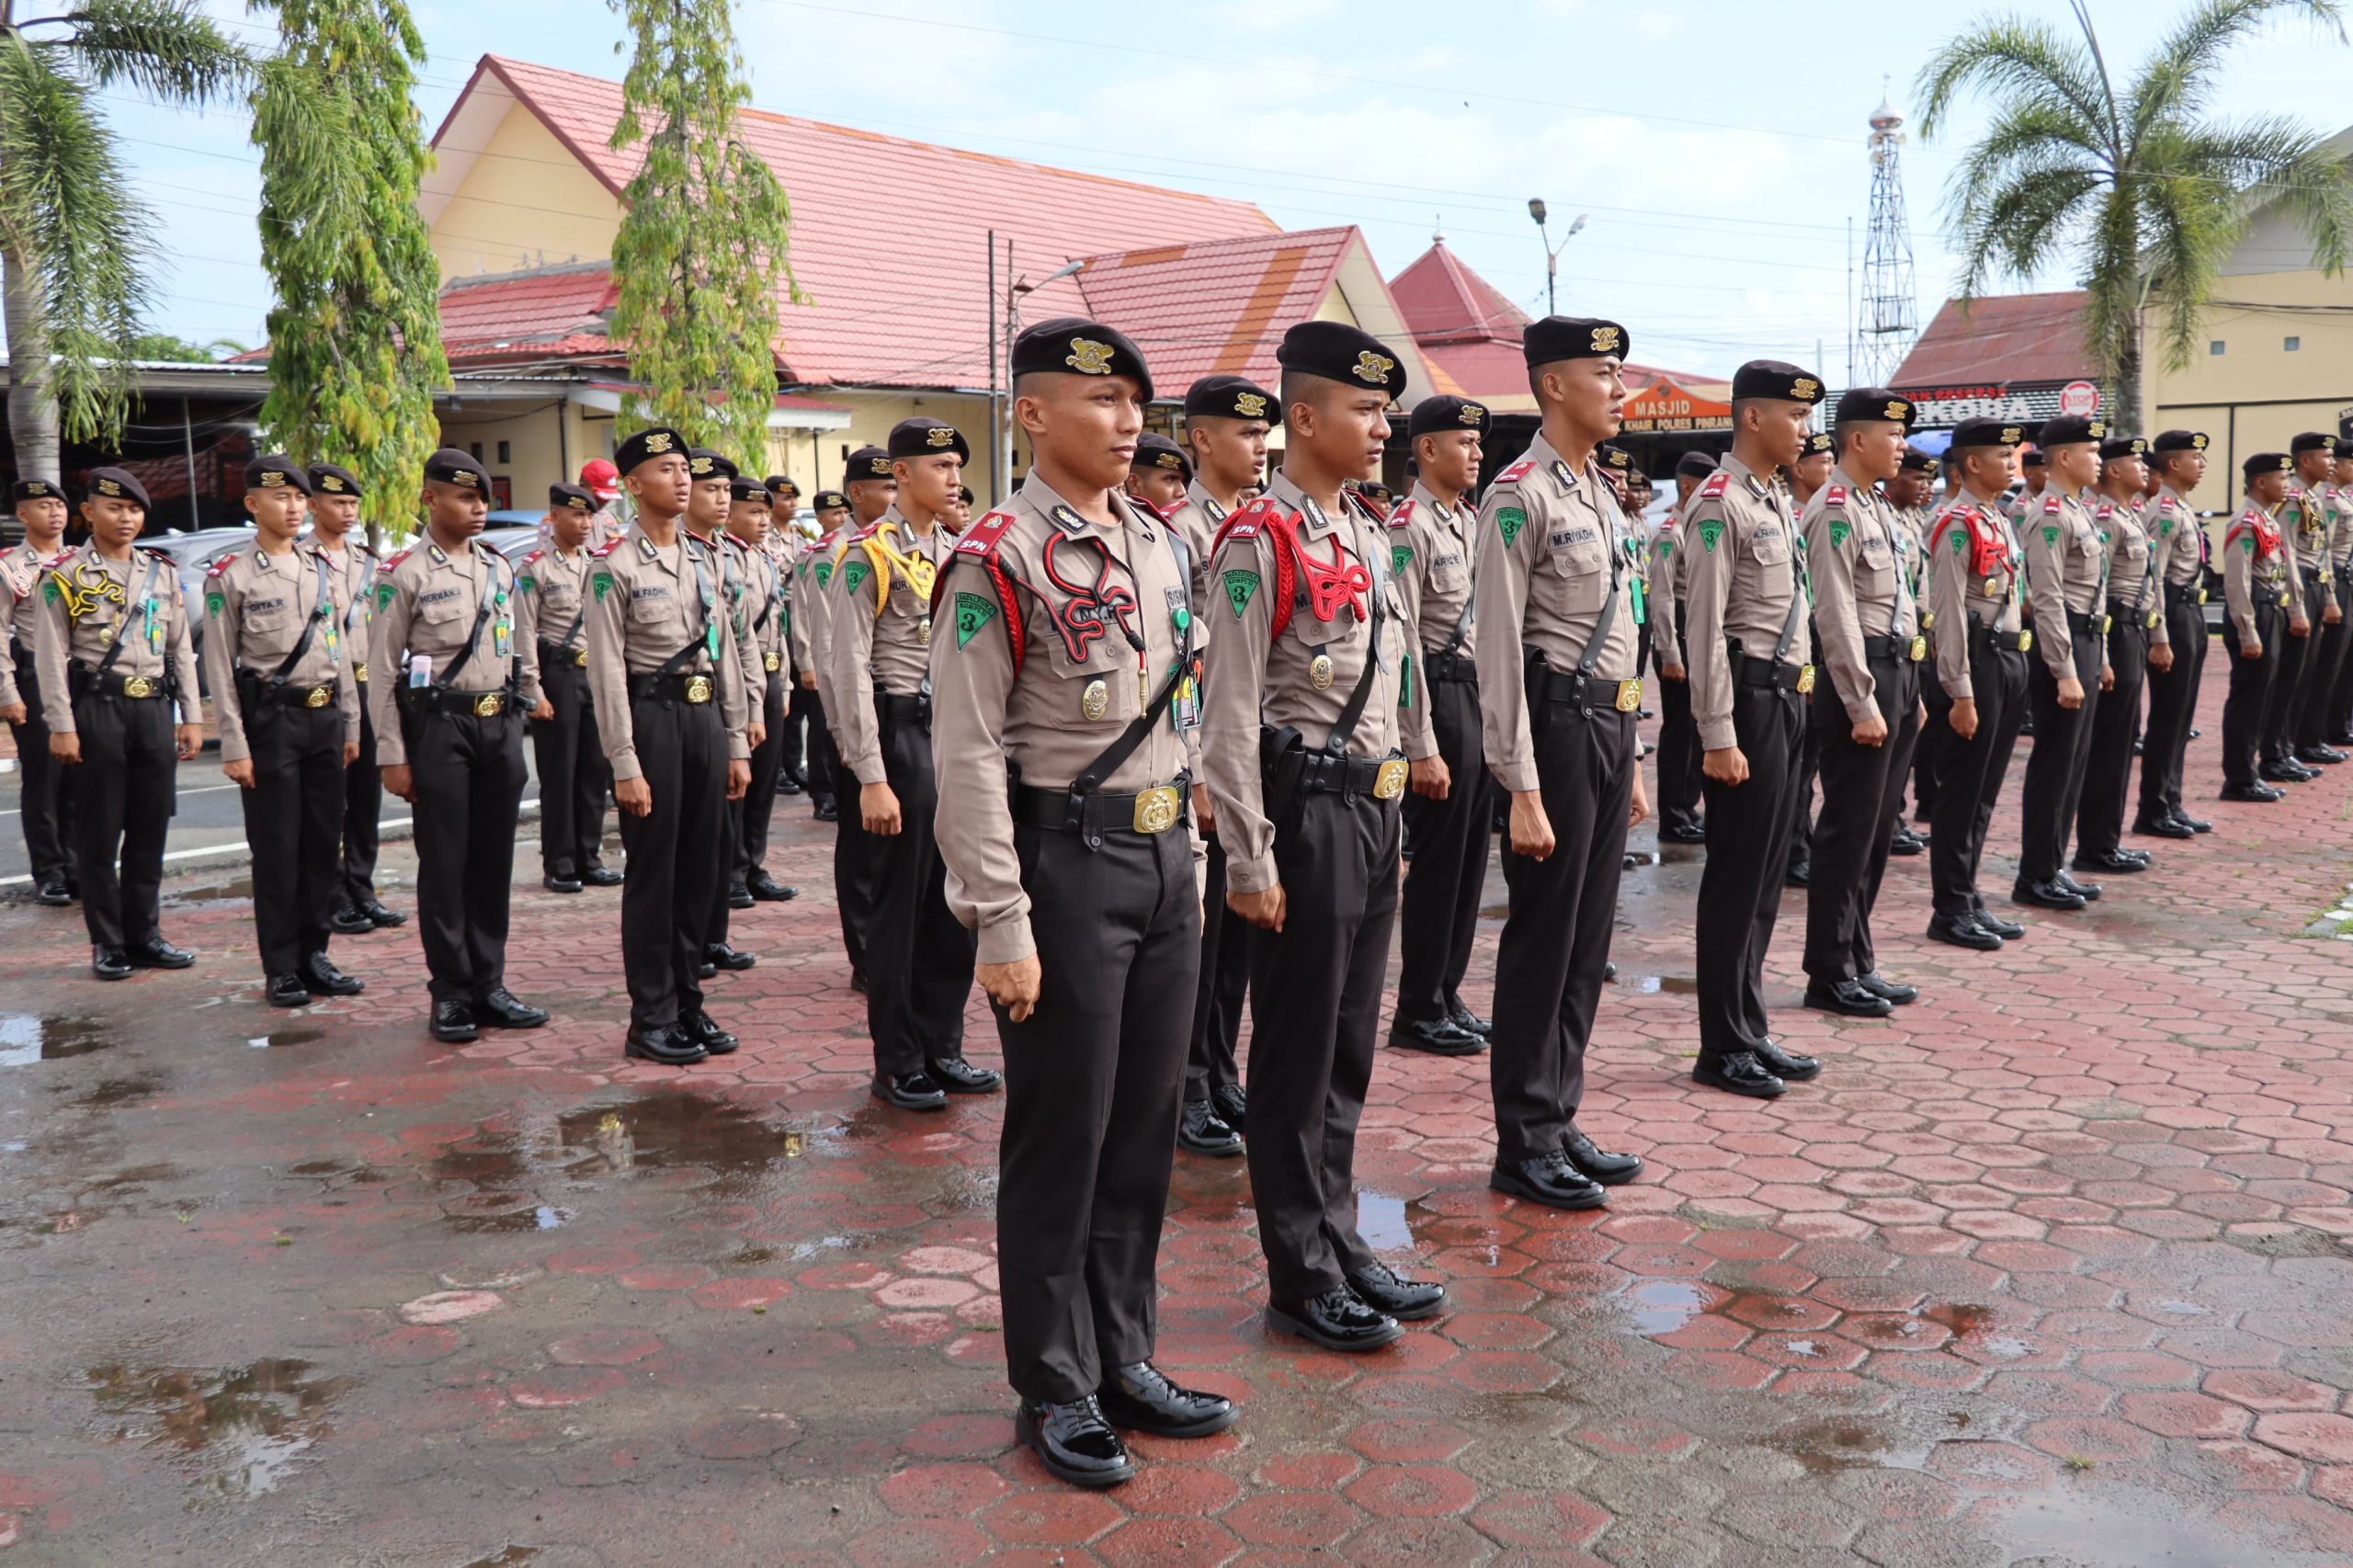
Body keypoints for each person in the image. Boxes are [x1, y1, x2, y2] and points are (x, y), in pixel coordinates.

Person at [931, 317, 1232, 1488]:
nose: (1127, 423)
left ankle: (1123, 1351)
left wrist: (1192, 851)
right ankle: (1054, 1379)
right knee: (1065, 1132)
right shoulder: (997, 555)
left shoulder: (1157, 540)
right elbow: (966, 753)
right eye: (1102, 400)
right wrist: (998, 919)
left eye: (1135, 404)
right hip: (1064, 866)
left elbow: (1183, 706)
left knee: (1144, 1127)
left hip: (1162, 862)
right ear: (1033, 413)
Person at [1202, 318, 1445, 1352]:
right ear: (1303, 418)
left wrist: (1416, 762)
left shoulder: (1367, 532)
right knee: (1296, 1055)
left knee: (1346, 1050)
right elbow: (1226, 712)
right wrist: (1249, 856)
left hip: (1371, 810)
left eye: (1386, 410)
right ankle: (1299, 1273)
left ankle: (1338, 1238)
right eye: (1365, 409)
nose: (1384, 426)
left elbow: (1396, 667)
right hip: (1304, 815)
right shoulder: (1258, 539)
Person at [1475, 317, 1651, 1210]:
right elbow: (1499, 650)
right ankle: (1523, 1138)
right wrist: (1519, 785)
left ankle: (1557, 1111)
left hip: (1608, 728)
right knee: (1544, 939)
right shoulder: (1518, 497)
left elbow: (1623, 631)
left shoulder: (1599, 493)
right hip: (1554, 731)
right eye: (1604, 373)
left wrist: (1637, 752)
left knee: (1586, 941)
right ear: (1553, 385)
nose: (1620, 389)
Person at [828, 416, 993, 1109]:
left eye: (957, 466)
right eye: (939, 466)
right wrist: (870, 775)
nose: (954, 479)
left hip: (958, 741)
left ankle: (942, 1046)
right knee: (899, 910)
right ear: (901, 473)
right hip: (902, 739)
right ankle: (897, 1060)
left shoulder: (963, 551)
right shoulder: (866, 555)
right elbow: (846, 670)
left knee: (954, 903)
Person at [585, 426, 752, 1064]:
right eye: (666, 470)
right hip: (652, 721)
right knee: (655, 874)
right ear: (633, 484)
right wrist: (624, 762)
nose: (682, 479)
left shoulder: (706, 558)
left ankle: (688, 1003)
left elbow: (725, 652)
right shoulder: (614, 566)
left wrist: (735, 741)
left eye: (685, 468)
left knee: (701, 871)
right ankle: (650, 1017)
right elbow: (606, 672)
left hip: (704, 720)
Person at [1682, 362, 1826, 1099]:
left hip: (1787, 697)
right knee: (1737, 876)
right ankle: (1722, 1044)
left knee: (1769, 872)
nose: (1804, 430)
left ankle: (1749, 1024)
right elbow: (1704, 627)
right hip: (1748, 700)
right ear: (1752, 418)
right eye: (1794, 417)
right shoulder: (1719, 504)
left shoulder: (1772, 498)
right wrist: (1717, 732)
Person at [370, 449, 548, 1043]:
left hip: (499, 727)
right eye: (466, 498)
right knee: (445, 866)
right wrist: (392, 754)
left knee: (492, 864)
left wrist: (530, 697)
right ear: (430, 498)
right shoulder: (403, 574)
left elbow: (518, 642)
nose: (478, 509)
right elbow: (380, 671)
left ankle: (489, 984)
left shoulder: (497, 567)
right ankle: (450, 992)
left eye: (482, 500)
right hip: (441, 729)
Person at [204, 455, 365, 1007]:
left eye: (299, 498)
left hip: (325, 717)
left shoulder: (320, 567)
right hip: (271, 722)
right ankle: (281, 966)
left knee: (322, 843)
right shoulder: (231, 575)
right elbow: (219, 667)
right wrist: (233, 743)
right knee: (277, 850)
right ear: (253, 504)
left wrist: (350, 722)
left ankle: (315, 953)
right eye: (281, 497)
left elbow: (340, 650)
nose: (294, 507)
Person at [31, 468, 201, 980]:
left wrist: (191, 715)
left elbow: (181, 649)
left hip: (154, 710)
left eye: (134, 509)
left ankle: (145, 935)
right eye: (114, 508)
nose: (126, 518)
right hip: (98, 709)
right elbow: (49, 656)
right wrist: (61, 724)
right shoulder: (63, 576)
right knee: (100, 833)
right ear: (89, 513)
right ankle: (107, 942)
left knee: (150, 828)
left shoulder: (161, 571)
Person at [1168, 373, 1273, 1156]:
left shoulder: (1262, 525)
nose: (1260, 447)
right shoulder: (1176, 531)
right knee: (1200, 948)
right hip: (1203, 756)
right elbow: (1182, 664)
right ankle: (1189, 1087)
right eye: (1245, 433)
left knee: (1237, 937)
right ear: (1202, 439)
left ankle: (1223, 1068)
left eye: (1265, 433)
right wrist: (1200, 772)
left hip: (1252, 750)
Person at [1800, 391, 1923, 1019]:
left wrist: (1912, 691)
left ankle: (1857, 958)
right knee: (1848, 831)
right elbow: (1835, 613)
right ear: (1857, 440)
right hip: (1861, 679)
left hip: (1897, 672)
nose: (1902, 446)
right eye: (1892, 435)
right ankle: (1828, 971)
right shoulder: (1834, 510)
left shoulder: (1877, 506)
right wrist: (1860, 700)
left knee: (1877, 832)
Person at [1390, 393, 1495, 1056]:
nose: (1477, 453)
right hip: (1440, 698)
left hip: (1476, 696)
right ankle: (1418, 1006)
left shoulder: (1470, 521)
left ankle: (1448, 992)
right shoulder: (1409, 527)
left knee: (1470, 860)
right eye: (1465, 442)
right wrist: (1420, 743)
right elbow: (1402, 644)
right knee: (1437, 862)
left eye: (1479, 443)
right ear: (1428, 450)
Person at [1922, 419, 2031, 950]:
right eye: (2001, 456)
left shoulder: (1998, 517)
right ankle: (1950, 909)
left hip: (2008, 659)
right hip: (1977, 665)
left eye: (2013, 455)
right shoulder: (1955, 523)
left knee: (1985, 793)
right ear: (1970, 464)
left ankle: (1969, 897)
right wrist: (1960, 692)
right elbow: (1945, 613)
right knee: (1962, 794)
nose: (2011, 464)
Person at [2011, 415, 2109, 913]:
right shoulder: (2049, 515)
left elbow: (2094, 589)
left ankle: (2054, 865)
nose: (2099, 459)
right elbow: (2047, 599)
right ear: (2065, 457)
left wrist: (2101, 657)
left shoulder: (2077, 509)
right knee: (2054, 763)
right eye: (2091, 451)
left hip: (2086, 640)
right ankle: (2035, 875)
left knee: (2074, 763)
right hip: (2062, 645)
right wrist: (2065, 670)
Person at [306, 464, 404, 936]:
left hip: (369, 686)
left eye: (352, 504)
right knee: (331, 802)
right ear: (314, 506)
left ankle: (361, 888)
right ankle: (331, 896)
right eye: (338, 503)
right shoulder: (302, 560)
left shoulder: (368, 563)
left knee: (366, 797)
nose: (347, 512)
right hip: (327, 692)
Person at [683, 449, 765, 974]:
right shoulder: (672, 551)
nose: (722, 500)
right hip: (675, 704)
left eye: (725, 492)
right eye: (711, 489)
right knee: (688, 839)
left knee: (719, 832)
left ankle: (713, 937)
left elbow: (741, 640)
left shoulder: (728, 555)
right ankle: (685, 945)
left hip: (722, 704)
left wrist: (753, 707)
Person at [815, 449, 895, 983]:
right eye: (884, 487)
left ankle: (893, 947)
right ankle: (864, 952)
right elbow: (831, 652)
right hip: (855, 714)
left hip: (903, 717)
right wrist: (845, 735)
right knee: (863, 846)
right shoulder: (840, 553)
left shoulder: (902, 549)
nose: (893, 496)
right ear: (857, 494)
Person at [516, 483, 616, 894]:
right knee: (560, 774)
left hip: (596, 675)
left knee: (595, 770)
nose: (585, 523)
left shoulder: (598, 564)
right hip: (558, 674)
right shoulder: (534, 568)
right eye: (577, 515)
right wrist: (532, 689)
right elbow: (524, 632)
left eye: (590, 516)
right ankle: (559, 863)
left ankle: (590, 858)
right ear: (555, 517)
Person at [2073, 436, 2164, 876]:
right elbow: (2099, 592)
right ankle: (2096, 845)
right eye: (2135, 462)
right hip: (2117, 632)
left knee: (2122, 741)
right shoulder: (2105, 519)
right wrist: (2106, 655)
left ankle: (2108, 839)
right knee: (2109, 744)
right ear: (2112, 471)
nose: (2144, 468)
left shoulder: (2130, 515)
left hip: (2134, 630)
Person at [2134, 431, 2215, 836]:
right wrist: (2160, 637)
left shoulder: (2180, 506)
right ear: (2172, 464)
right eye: (2195, 457)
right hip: (2173, 615)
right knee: (2167, 717)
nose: (2202, 464)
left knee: (2182, 716)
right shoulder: (2162, 512)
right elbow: (2155, 580)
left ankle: (2172, 801)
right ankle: (2153, 809)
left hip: (2191, 612)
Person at [0, 478, 76, 905]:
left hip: (82, 676)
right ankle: (50, 872)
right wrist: (7, 692)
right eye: (44, 506)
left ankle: (79, 865)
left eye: (59, 505)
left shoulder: (82, 561)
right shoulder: (10, 566)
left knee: (84, 774)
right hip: (35, 675)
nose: (55, 513)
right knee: (45, 776)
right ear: (23, 514)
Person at [725, 475, 798, 905]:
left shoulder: (766, 559)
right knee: (739, 782)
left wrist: (784, 684)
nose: (763, 520)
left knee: (766, 781)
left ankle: (754, 865)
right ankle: (732, 871)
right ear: (729, 515)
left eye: (766, 513)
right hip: (739, 683)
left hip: (770, 679)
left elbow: (779, 625)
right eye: (753, 512)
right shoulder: (722, 560)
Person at [2221, 453, 2302, 802]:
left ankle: (2249, 773)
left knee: (2262, 697)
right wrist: (2247, 631)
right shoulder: (2245, 522)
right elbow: (2237, 582)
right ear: (2260, 482)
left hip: (2271, 609)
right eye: (2281, 478)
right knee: (2248, 699)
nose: (2287, 484)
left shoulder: (2266, 518)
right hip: (2255, 612)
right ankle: (2239, 779)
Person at [1651, 450, 1715, 845]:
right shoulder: (1669, 533)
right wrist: (1670, 654)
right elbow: (1660, 598)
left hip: (1699, 635)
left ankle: (1688, 807)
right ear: (1688, 486)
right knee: (1678, 733)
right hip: (1679, 639)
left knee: (1696, 730)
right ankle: (1673, 816)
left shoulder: (1699, 528)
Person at [1781, 429, 1836, 888]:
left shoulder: (1821, 512)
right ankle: (1792, 848)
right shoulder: (1793, 516)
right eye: (1824, 462)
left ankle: (1802, 837)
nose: (1831, 469)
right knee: (1797, 762)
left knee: (1811, 758)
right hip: (1800, 645)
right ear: (1799, 469)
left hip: (1819, 641)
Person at [2275, 432, 2344, 774]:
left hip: (2316, 584)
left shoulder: (2311, 498)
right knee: (2292, 674)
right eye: (2325, 456)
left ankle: (2296, 745)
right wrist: (2296, 607)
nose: (2331, 462)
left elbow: (2323, 551)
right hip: (2299, 586)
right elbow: (2286, 553)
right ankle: (2280, 750)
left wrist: (2329, 596)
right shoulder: (2292, 499)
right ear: (2305, 460)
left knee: (2308, 671)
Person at [789, 488, 854, 819]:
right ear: (820, 518)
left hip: (844, 655)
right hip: (821, 654)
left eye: (845, 512)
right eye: (835, 513)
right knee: (821, 725)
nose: (841, 518)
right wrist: (806, 661)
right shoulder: (818, 554)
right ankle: (823, 793)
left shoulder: (853, 547)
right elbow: (804, 611)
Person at [1884, 449, 1938, 854]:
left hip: (1914, 635)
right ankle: (1888, 820)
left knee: (1908, 736)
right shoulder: (1883, 516)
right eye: (1918, 478)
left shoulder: (1911, 519)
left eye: (1929, 480)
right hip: (1889, 641)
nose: (1925, 487)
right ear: (1895, 478)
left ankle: (1894, 817)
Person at [2322, 438, 2353, 748]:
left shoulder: (2343, 497)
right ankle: (2322, 730)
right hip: (2336, 583)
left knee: (2345, 661)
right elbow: (2325, 550)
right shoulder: (2328, 500)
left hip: (2347, 581)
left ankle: (2339, 725)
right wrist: (2330, 596)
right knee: (2331, 660)